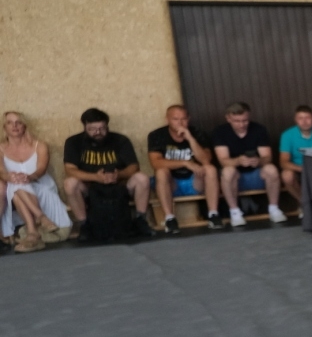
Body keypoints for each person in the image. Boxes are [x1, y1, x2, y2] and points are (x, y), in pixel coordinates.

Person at [62, 108, 153, 239]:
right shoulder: (74, 142)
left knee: (142, 178)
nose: (98, 132)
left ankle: (141, 220)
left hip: (119, 186)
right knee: (69, 183)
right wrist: (95, 177)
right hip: (89, 188)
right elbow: (70, 170)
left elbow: (134, 166)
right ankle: (84, 225)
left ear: (107, 126)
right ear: (85, 127)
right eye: (92, 129)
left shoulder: (120, 140)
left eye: (102, 128)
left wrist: (119, 174)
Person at [146, 104, 223, 233]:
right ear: (167, 120)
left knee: (210, 169)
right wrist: (185, 163)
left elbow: (206, 160)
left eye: (183, 119)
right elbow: (156, 163)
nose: (180, 123)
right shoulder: (157, 135)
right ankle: (170, 219)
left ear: (188, 119)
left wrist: (190, 139)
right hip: (172, 183)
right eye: (175, 119)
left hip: (195, 181)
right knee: (161, 172)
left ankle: (213, 215)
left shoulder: (197, 133)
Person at [3, 111, 72, 251]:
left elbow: (41, 169)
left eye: (18, 122)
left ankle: (32, 232)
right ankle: (40, 218)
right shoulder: (0, 148)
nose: (14, 126)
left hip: (41, 185)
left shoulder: (39, 145)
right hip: (16, 188)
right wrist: (10, 177)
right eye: (10, 123)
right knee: (16, 185)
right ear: (4, 127)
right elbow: (1, 172)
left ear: (25, 125)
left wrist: (29, 177)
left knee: (16, 189)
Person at [211, 103, 287, 227]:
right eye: (237, 121)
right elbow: (223, 161)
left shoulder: (259, 129)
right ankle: (235, 212)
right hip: (234, 175)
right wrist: (238, 161)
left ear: (249, 117)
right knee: (228, 171)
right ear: (228, 118)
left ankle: (274, 208)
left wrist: (259, 160)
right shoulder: (220, 132)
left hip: (256, 173)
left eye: (245, 121)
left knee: (271, 169)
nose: (241, 124)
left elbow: (268, 157)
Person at [278, 105, 312, 210]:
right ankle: (304, 203)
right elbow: (283, 162)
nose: (304, 122)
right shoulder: (287, 135)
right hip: (299, 169)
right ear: (295, 120)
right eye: (300, 118)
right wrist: (302, 168)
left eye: (307, 118)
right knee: (286, 175)